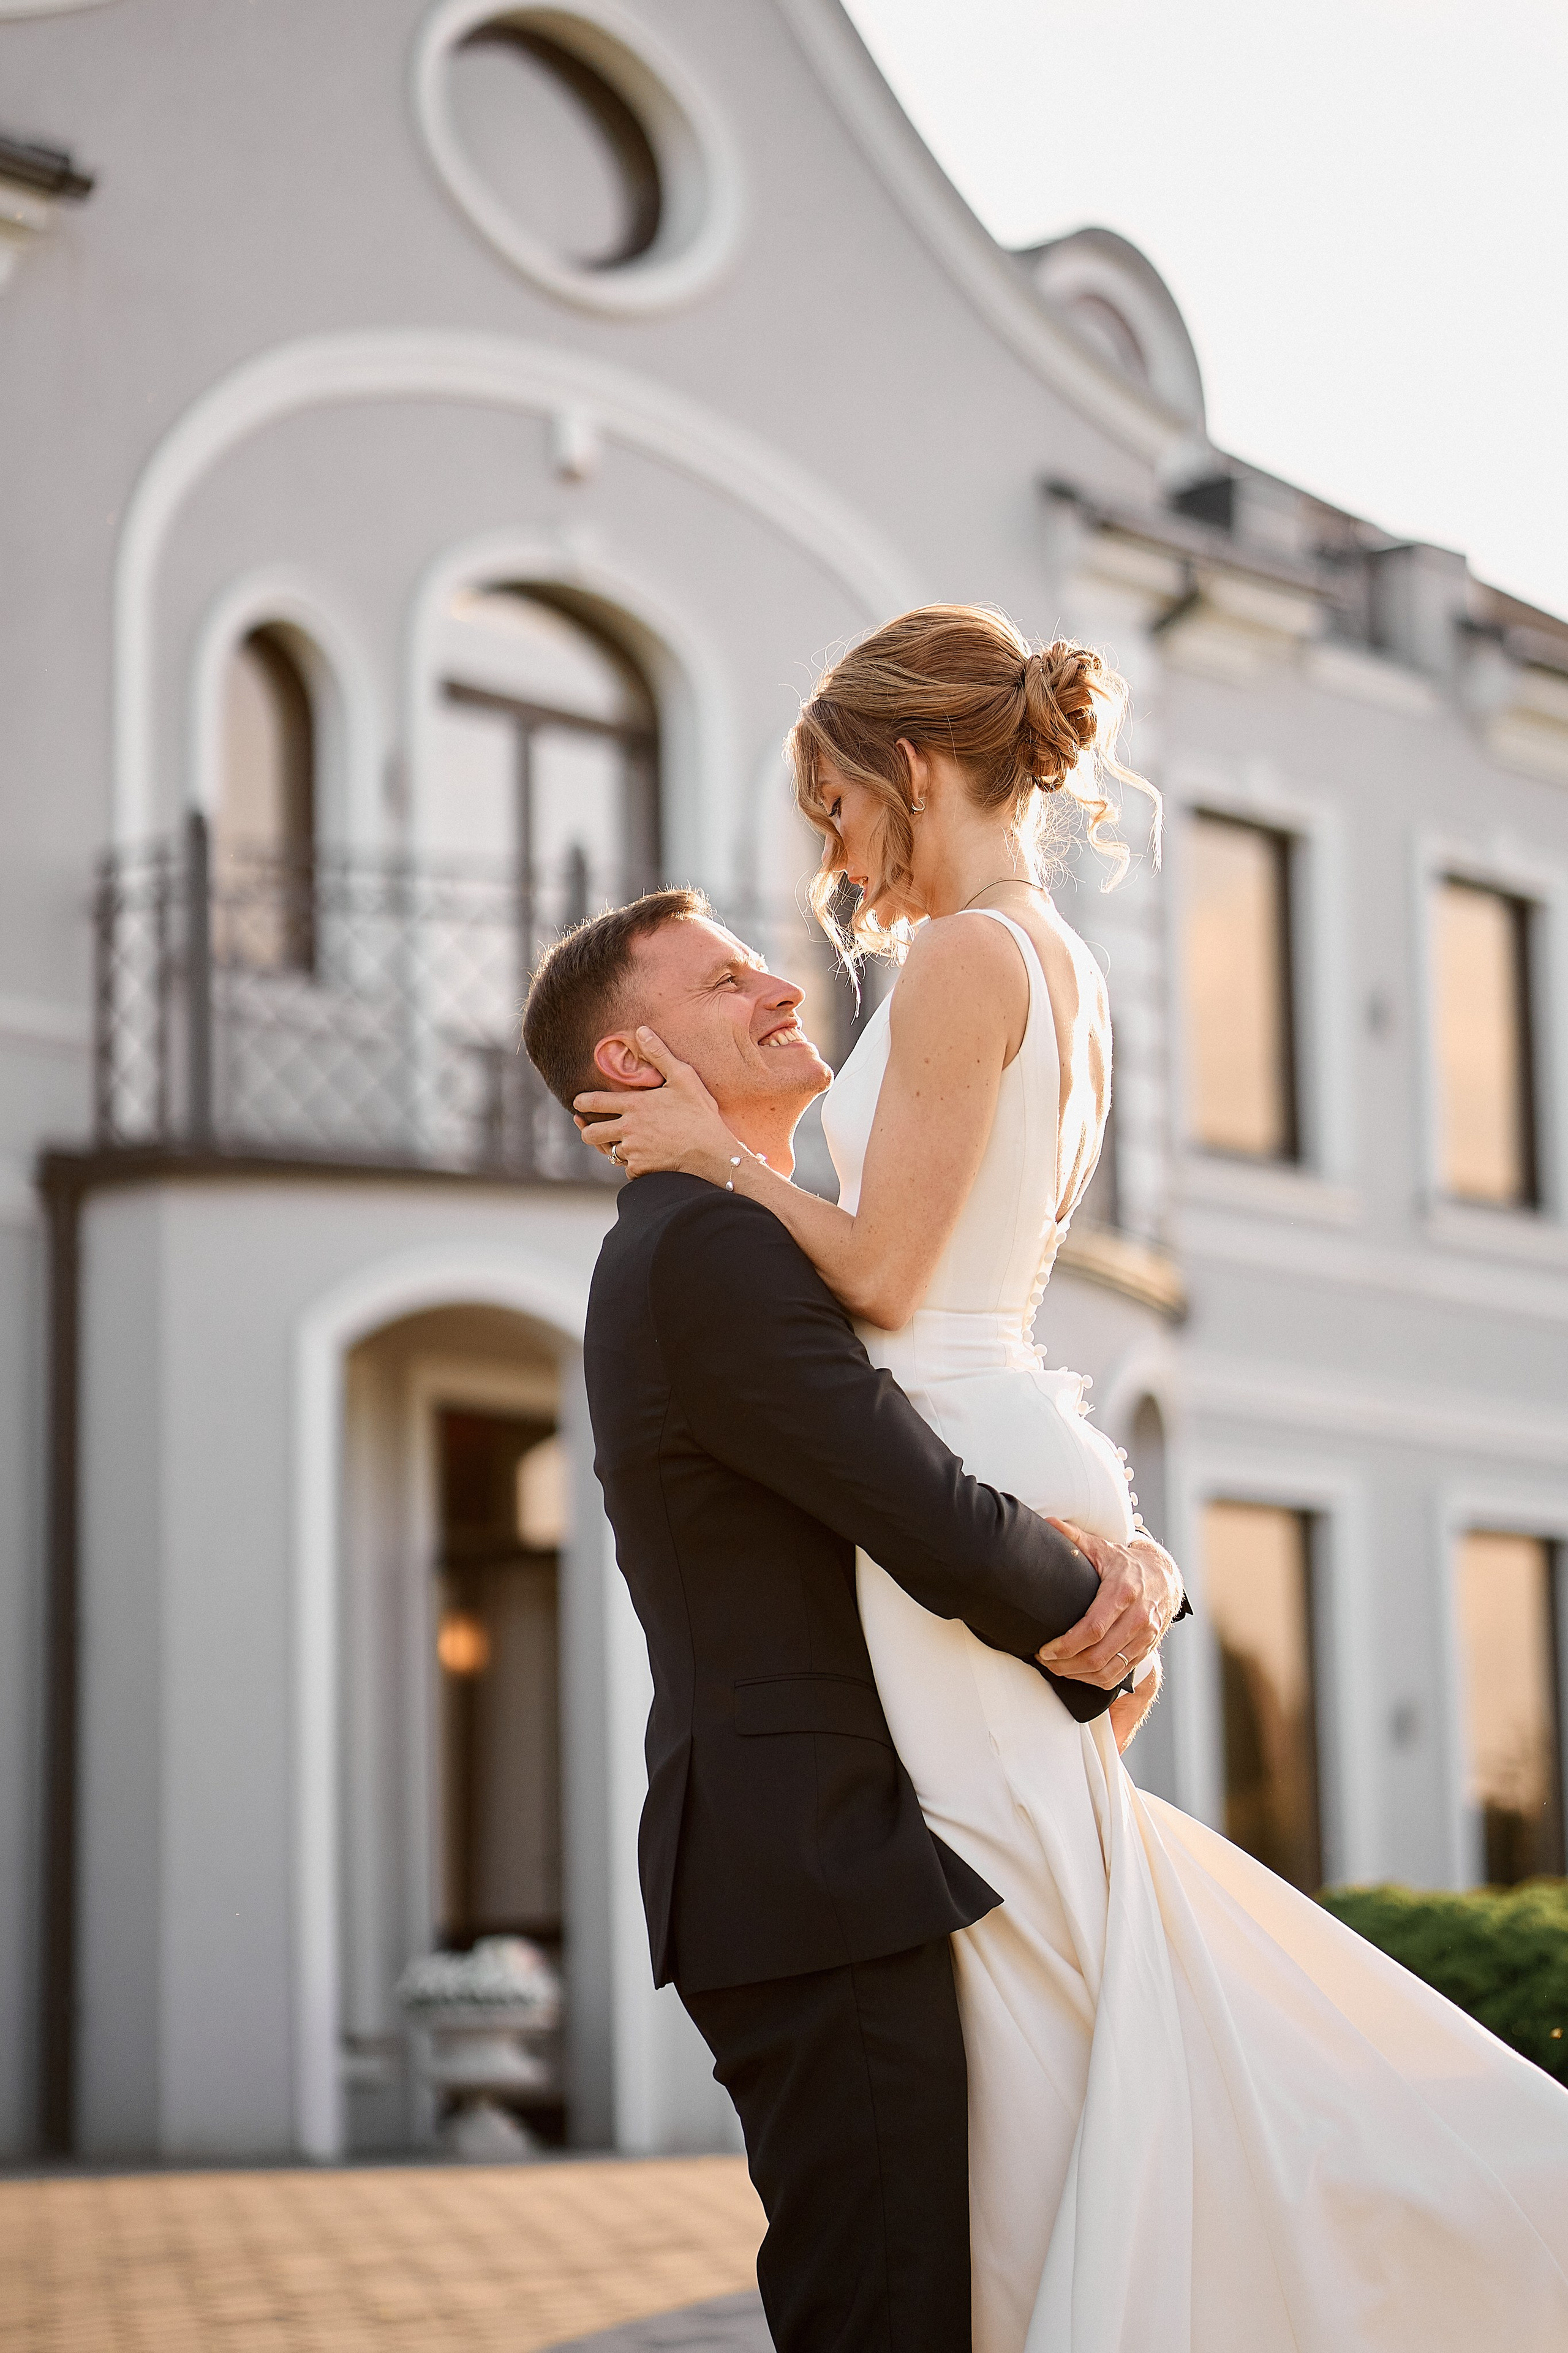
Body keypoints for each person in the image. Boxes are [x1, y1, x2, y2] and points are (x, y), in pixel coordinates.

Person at [571, 606, 1568, 2352]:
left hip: (959, 1428)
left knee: (1039, 1969)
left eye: (833, 811)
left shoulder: (966, 954)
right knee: (1059, 1949)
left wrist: (722, 1159)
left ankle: (1099, 2280)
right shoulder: (1058, 963)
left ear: (909, 767)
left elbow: (881, 1282)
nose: (832, 864)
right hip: (997, 1430)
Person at [521, 887, 1184, 2353]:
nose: (778, 986)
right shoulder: (702, 1248)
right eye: (721, 985)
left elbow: (934, 1472)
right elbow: (911, 1502)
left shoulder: (747, 1239)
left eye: (761, 963)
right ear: (632, 1068)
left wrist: (1136, 1574)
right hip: (802, 1859)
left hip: (831, 1855)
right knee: (879, 2316)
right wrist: (1107, 1606)